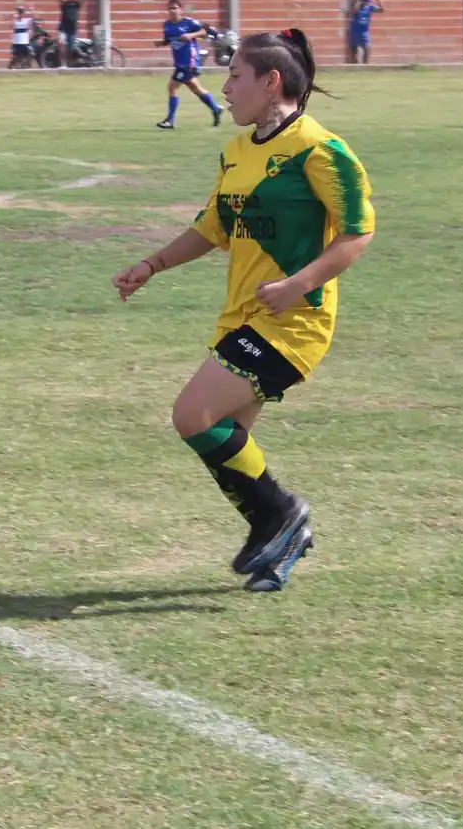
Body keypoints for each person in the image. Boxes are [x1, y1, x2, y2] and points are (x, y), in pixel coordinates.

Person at [112, 29, 375, 593]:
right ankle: (279, 543)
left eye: (235, 76)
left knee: (194, 416)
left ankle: (281, 516)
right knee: (230, 445)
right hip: (243, 317)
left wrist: (299, 283)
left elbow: (358, 232)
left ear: (270, 81)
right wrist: (151, 265)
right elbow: (214, 227)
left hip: (295, 322)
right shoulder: (237, 151)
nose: (225, 87)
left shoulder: (319, 148)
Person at [155, 0, 224, 129]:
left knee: (172, 87)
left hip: (189, 61)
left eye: (175, 8)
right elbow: (169, 40)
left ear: (181, 10)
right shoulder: (167, 25)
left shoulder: (189, 23)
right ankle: (216, 109)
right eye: (170, 8)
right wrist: (161, 43)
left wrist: (191, 35)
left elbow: (205, 32)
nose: (172, 11)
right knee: (196, 89)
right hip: (179, 61)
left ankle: (170, 120)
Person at [348, 0, 384, 64]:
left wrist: (378, 0)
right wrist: (359, 1)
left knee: (367, 48)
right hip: (355, 32)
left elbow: (382, 10)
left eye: (367, 1)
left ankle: (366, 65)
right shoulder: (357, 7)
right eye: (364, 1)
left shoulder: (370, 7)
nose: (366, 2)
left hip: (365, 32)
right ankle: (356, 66)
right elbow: (355, 10)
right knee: (355, 50)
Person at [57, 0, 84, 68]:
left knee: (71, 49)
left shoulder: (77, 4)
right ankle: (63, 64)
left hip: (73, 29)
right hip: (63, 28)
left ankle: (70, 64)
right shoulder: (64, 4)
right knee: (61, 43)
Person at [9, 4, 36, 69]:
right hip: (17, 41)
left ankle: (26, 65)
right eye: (19, 11)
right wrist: (14, 14)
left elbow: (34, 19)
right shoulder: (15, 20)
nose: (20, 13)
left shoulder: (26, 20)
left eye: (21, 12)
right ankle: (10, 66)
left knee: (31, 53)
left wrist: (32, 11)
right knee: (17, 56)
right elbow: (11, 24)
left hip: (25, 41)